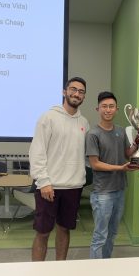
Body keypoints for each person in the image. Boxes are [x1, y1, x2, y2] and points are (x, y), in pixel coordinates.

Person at [29, 76, 90, 261]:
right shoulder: (48, 118)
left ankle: (60, 271)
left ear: (84, 97)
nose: (76, 94)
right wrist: (44, 182)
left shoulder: (84, 123)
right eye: (73, 89)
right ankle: (37, 273)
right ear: (64, 92)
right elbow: (37, 151)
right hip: (49, 187)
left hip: (73, 187)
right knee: (43, 232)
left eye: (81, 91)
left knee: (64, 229)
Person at [86, 91, 137, 259]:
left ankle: (105, 266)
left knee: (113, 233)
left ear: (117, 109)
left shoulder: (121, 131)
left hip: (120, 190)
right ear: (98, 109)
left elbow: (128, 153)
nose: (108, 110)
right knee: (100, 235)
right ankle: (95, 272)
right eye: (104, 107)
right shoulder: (93, 134)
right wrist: (120, 168)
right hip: (102, 193)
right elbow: (95, 164)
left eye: (111, 106)